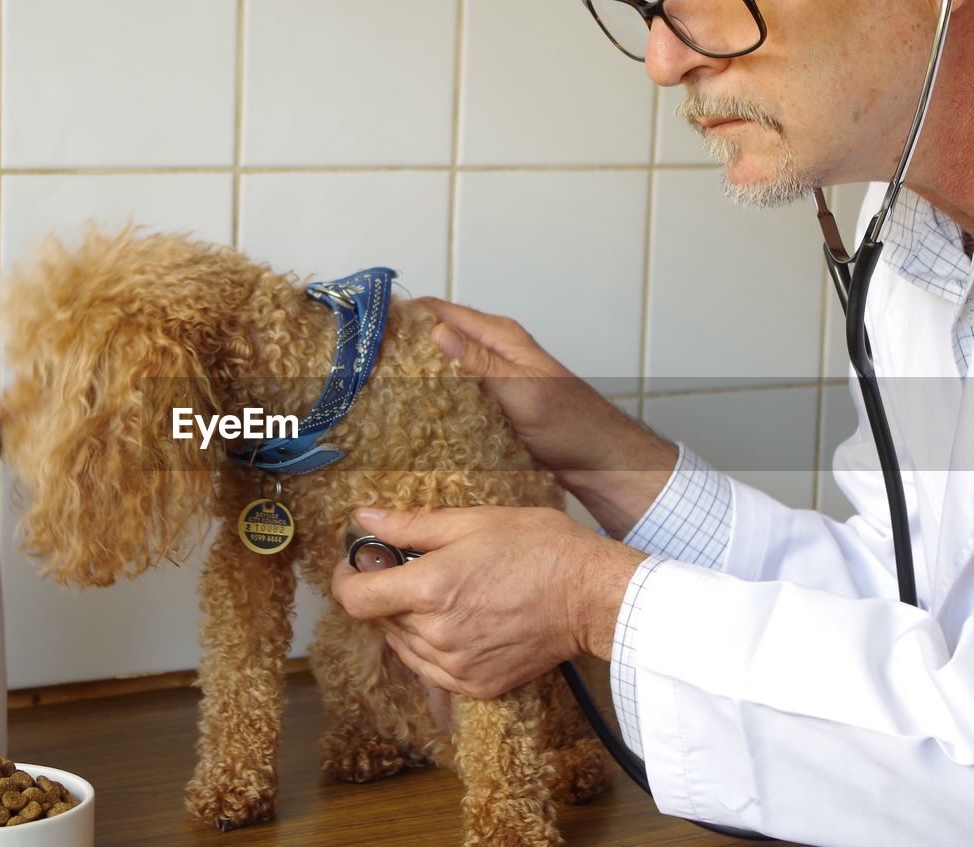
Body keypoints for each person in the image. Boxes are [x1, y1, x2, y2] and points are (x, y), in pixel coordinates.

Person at [330, 2, 974, 844]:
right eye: (649, 8)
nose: (663, 61)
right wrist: (604, 456)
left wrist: (589, 601)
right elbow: (916, 598)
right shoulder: (910, 236)